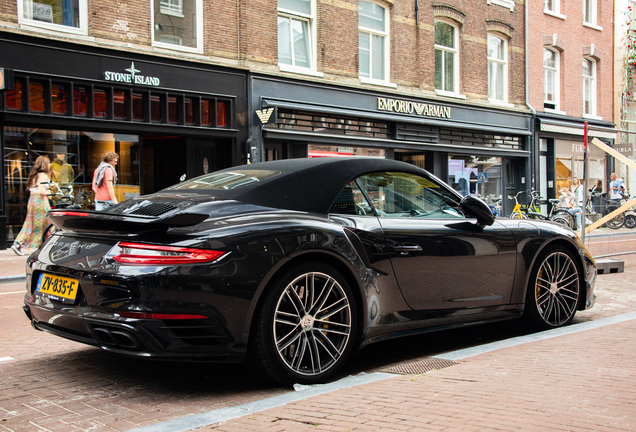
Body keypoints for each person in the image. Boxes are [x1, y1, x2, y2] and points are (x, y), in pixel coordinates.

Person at [10, 156, 51, 256]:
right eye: (48, 163)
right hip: (40, 202)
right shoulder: (44, 175)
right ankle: (43, 245)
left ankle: (18, 243)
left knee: (30, 224)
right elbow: (41, 191)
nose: (50, 165)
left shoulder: (35, 175)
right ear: (45, 164)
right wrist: (48, 191)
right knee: (46, 223)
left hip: (32, 201)